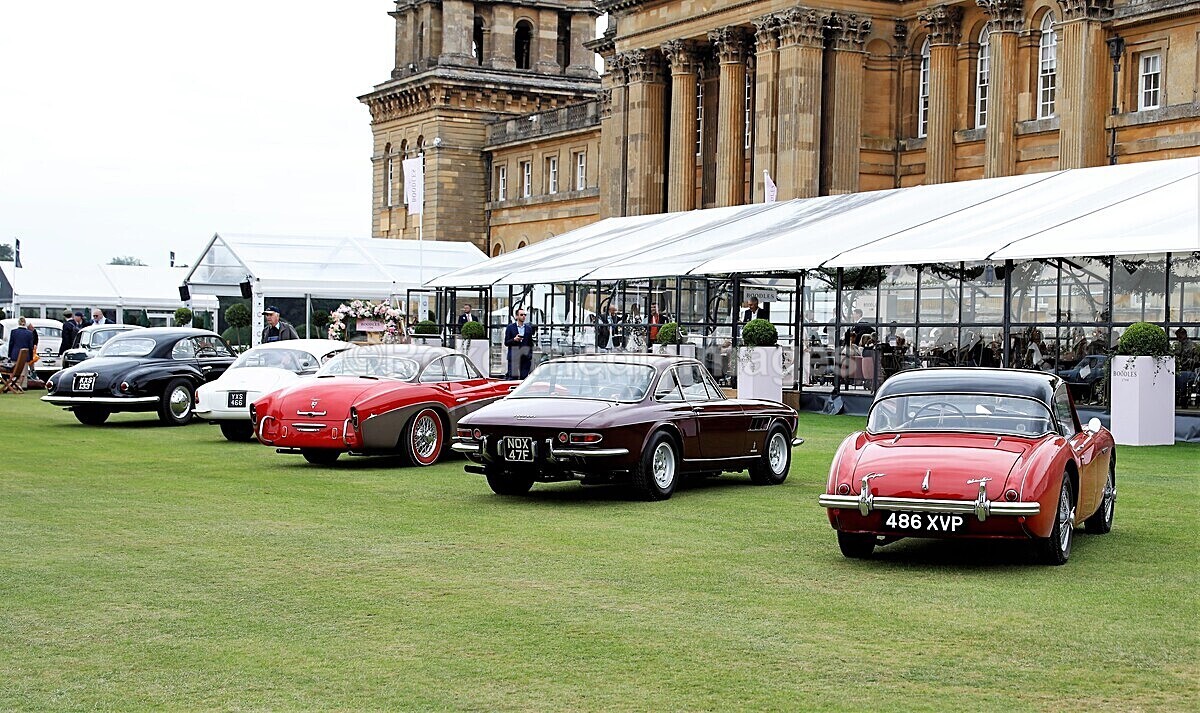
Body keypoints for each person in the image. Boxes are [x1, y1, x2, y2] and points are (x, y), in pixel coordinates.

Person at [504, 308, 536, 379]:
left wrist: (530, 355)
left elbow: (530, 343)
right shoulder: (510, 327)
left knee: (524, 378)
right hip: (514, 356)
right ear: (516, 316)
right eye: (521, 315)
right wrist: (514, 339)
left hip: (525, 357)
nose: (523, 316)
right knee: (513, 378)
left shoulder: (528, 328)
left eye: (525, 315)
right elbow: (506, 342)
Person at [5, 317, 36, 388]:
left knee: (14, 371)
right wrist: (31, 356)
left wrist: (9, 354)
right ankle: (23, 385)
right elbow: (30, 346)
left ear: (18, 323)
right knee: (23, 371)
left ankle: (14, 384)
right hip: (25, 355)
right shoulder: (29, 333)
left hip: (15, 354)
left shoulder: (14, 332)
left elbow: (11, 344)